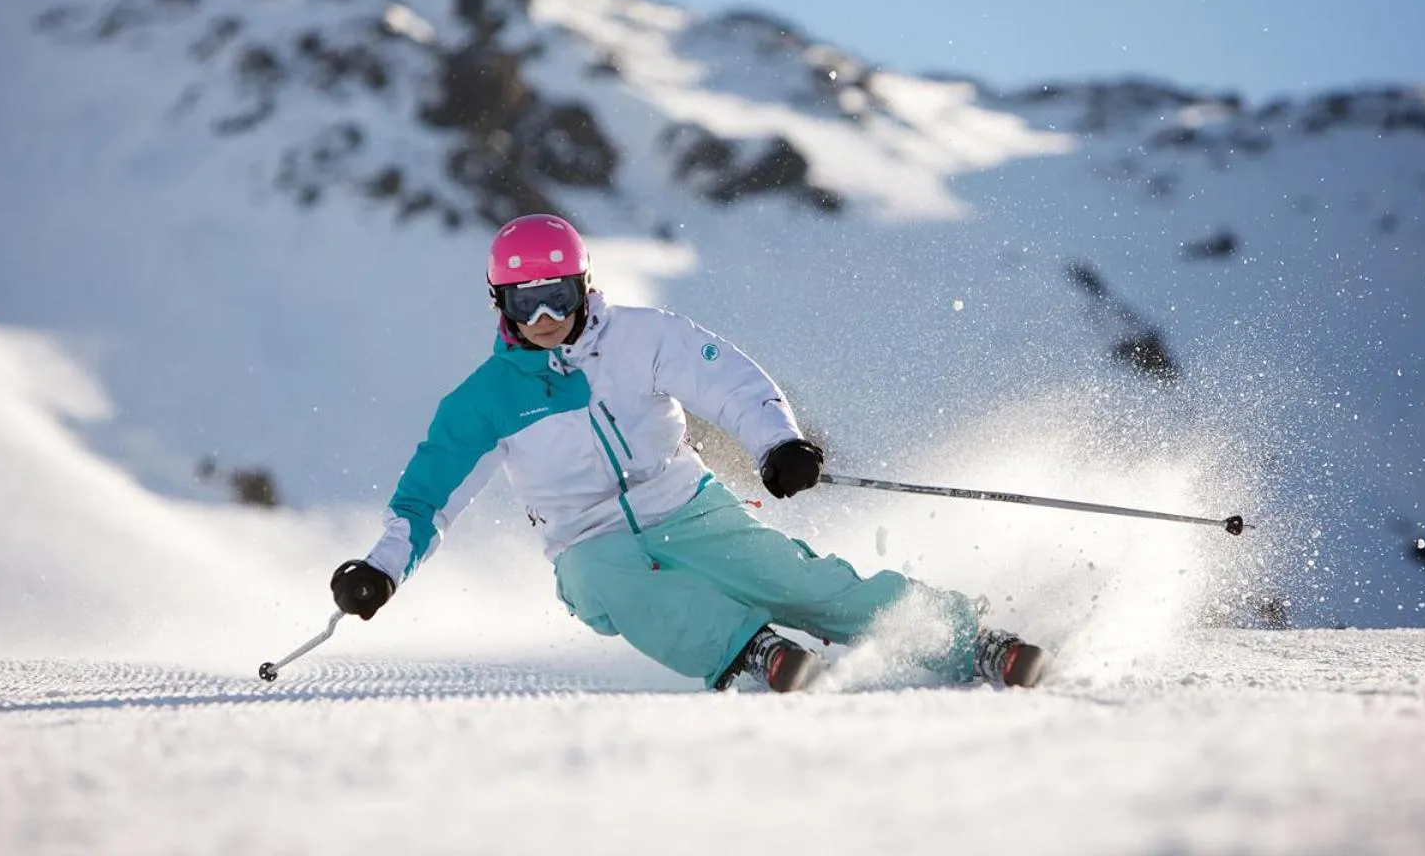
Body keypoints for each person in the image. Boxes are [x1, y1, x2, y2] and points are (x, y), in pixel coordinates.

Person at [330, 214, 1049, 692]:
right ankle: (747, 654)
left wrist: (778, 444)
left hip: (686, 503)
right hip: (587, 540)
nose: (545, 319)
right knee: (611, 580)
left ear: (583, 288)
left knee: (799, 582)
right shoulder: (484, 400)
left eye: (556, 298)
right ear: (501, 306)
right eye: (526, 304)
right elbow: (428, 499)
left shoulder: (640, 338)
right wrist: (382, 571)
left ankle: (965, 639)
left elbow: (728, 380)